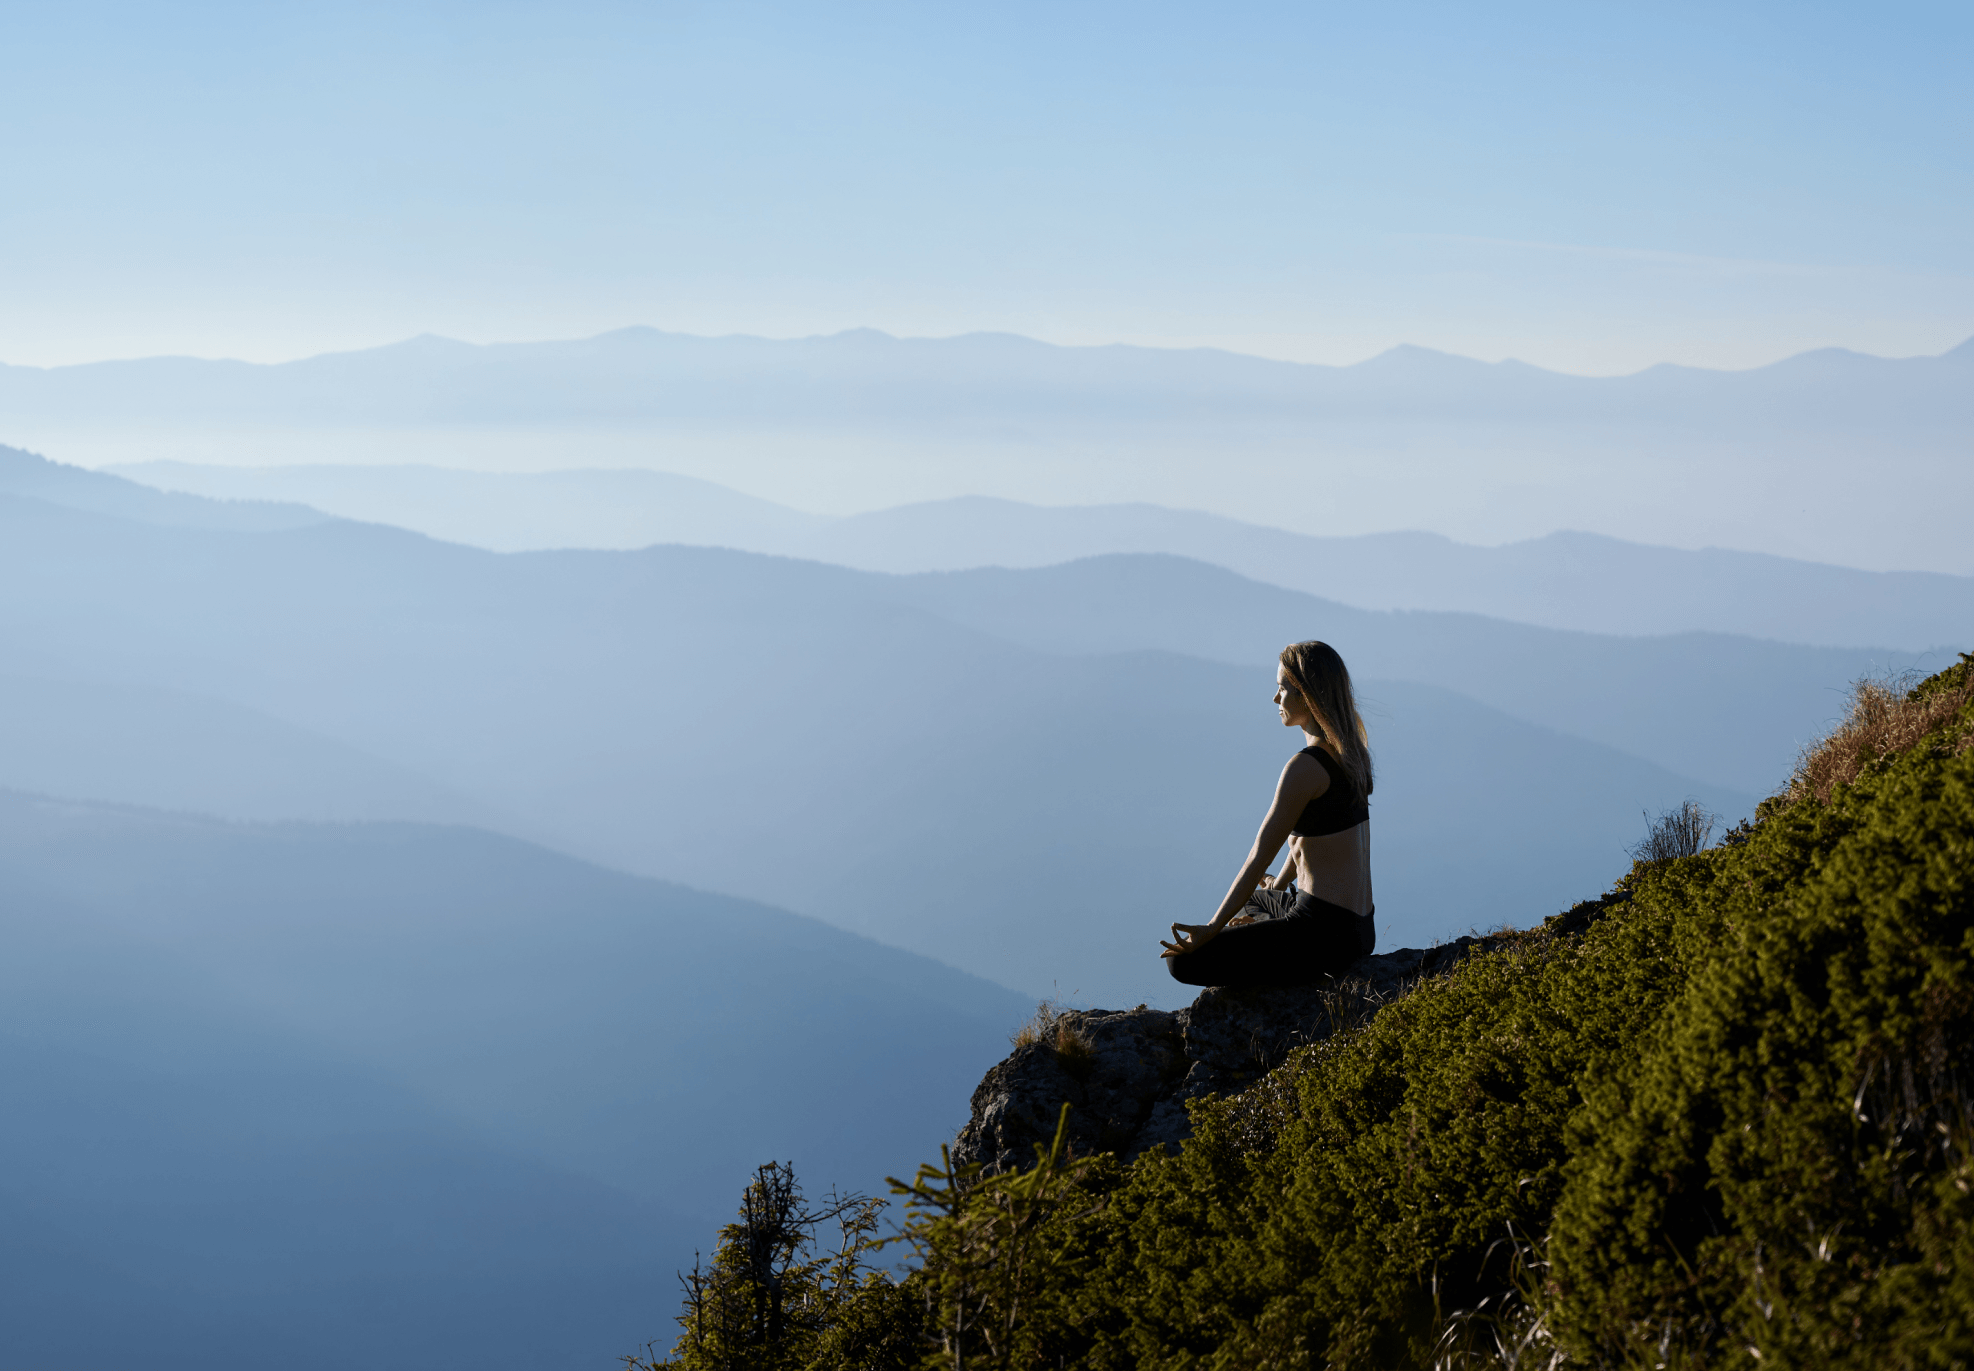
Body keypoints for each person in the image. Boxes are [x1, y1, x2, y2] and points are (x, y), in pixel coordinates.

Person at [1160, 640, 1376, 988]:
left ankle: (1276, 958)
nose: (1276, 699)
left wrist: (1212, 928)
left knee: (1181, 963)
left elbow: (1259, 855)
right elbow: (1314, 836)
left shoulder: (1304, 769)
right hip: (1360, 930)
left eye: (1282, 688)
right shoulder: (1352, 755)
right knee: (1257, 900)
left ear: (1306, 696)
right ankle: (1267, 928)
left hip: (1322, 936)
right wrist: (1281, 883)